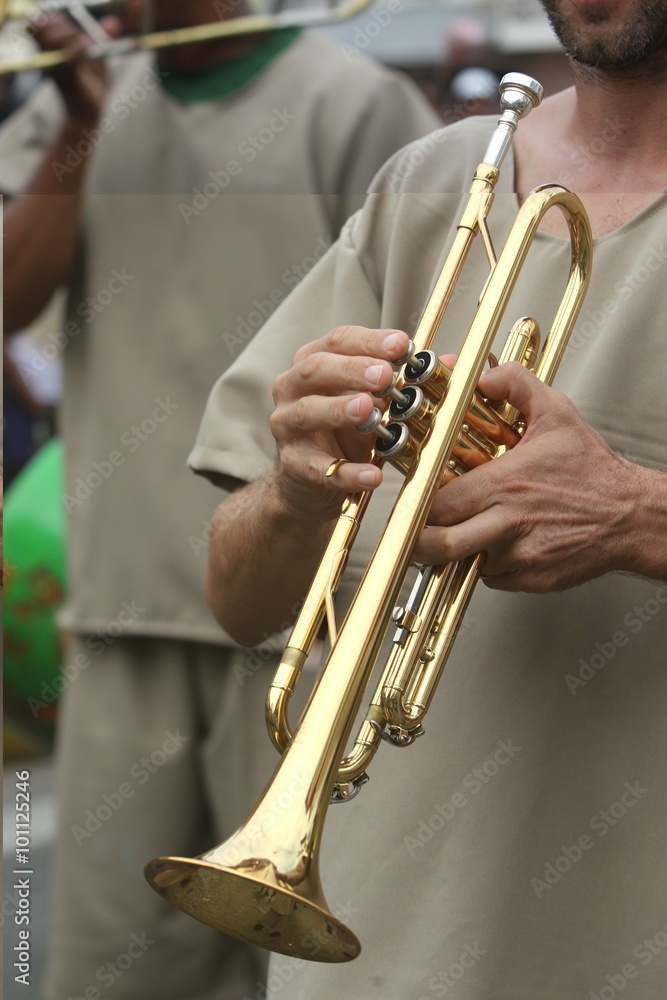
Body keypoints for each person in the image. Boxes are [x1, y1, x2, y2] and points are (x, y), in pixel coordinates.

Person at [191, 0, 667, 996]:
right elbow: (235, 596)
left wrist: (634, 512)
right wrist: (293, 491)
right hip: (369, 940)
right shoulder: (435, 180)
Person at [0, 2, 440, 998]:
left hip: (309, 627)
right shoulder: (78, 99)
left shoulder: (357, 101)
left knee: (314, 977)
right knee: (111, 975)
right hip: (123, 609)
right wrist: (76, 124)